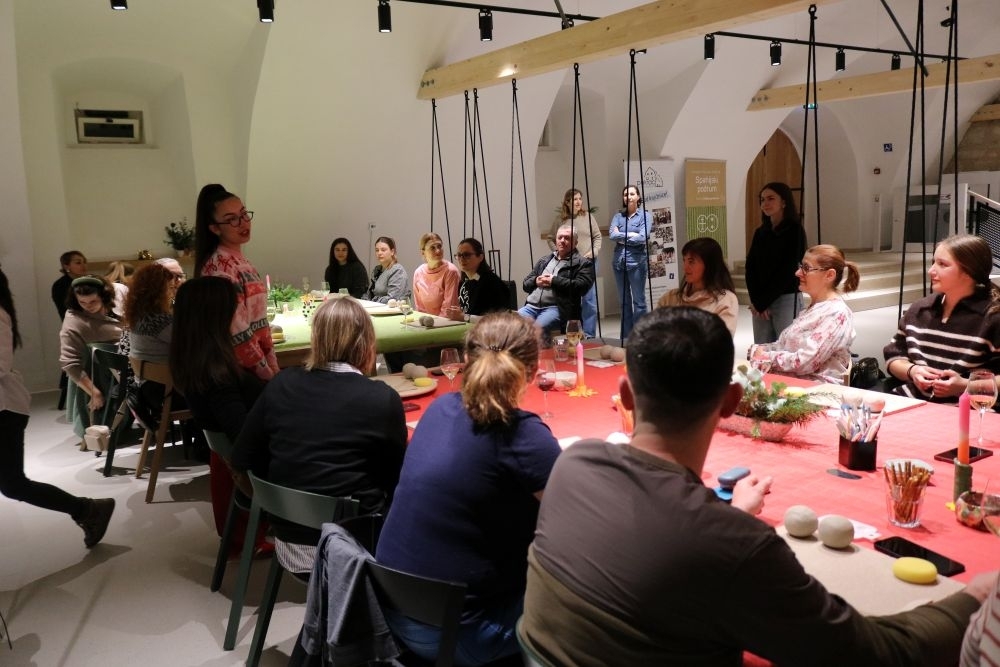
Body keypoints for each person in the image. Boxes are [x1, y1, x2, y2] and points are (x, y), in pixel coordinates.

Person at [521, 306, 999, 666]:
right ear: (733, 402)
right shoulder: (735, 546)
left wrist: (727, 519)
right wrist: (972, 602)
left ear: (625, 394)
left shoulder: (574, 464)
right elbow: (871, 654)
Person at [376, 312, 561, 666]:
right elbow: (579, 528)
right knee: (588, 596)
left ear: (465, 360)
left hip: (390, 606)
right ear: (534, 371)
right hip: (457, 632)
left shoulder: (439, 408)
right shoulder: (522, 436)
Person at [232, 297, 406, 571]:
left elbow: (240, 462)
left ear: (315, 339)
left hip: (290, 545)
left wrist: (277, 504)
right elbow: (398, 485)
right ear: (366, 343)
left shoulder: (280, 385)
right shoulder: (381, 399)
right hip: (357, 551)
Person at [1, 267, 115, 548]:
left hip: (5, 409)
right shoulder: (74, 319)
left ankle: (87, 509)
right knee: (12, 484)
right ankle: (87, 510)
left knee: (13, 484)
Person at [171, 276, 266, 537]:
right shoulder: (218, 377)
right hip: (267, 472)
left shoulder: (195, 363)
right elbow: (245, 441)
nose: (238, 315)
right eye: (232, 309)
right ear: (214, 317)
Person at [884, 234, 1000, 402]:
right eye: (933, 262)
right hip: (911, 402)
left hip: (967, 409)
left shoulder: (993, 317)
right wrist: (913, 371)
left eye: (942, 264)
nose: (931, 271)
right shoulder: (919, 309)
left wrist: (965, 386)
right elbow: (894, 357)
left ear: (969, 272)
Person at [193, 183, 278, 382]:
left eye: (244, 214)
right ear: (214, 228)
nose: (243, 223)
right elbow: (238, 334)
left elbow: (260, 324)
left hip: (257, 373)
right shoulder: (219, 268)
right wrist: (267, 375)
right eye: (231, 219)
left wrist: (273, 367)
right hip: (238, 376)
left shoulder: (240, 260)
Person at [750, 244, 859, 384]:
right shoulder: (815, 308)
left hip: (815, 390)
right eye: (801, 266)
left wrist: (766, 356)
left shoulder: (837, 314)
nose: (798, 273)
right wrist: (759, 350)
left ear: (829, 275)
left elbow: (805, 362)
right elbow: (785, 345)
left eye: (806, 268)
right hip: (794, 385)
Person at [59, 276, 123, 438]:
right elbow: (70, 363)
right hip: (97, 375)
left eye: (93, 301)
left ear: (104, 296)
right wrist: (94, 392)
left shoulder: (117, 300)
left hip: (120, 366)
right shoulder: (74, 321)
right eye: (82, 302)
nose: (88, 306)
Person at [745, 181, 808, 344]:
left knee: (787, 347)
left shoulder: (795, 230)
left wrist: (762, 301)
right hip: (760, 300)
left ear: (784, 202)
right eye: (762, 199)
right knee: (762, 348)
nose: (765, 203)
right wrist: (756, 301)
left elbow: (788, 270)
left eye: (771, 198)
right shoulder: (760, 232)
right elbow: (750, 267)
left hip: (786, 297)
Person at [517, 224, 595, 337]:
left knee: (536, 330)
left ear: (575, 243)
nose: (562, 241)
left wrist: (554, 281)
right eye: (560, 237)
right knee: (510, 325)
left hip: (555, 308)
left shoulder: (583, 263)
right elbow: (525, 284)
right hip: (530, 307)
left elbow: (581, 286)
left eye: (567, 238)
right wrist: (536, 281)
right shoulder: (544, 260)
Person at [657, 237, 739, 335]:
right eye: (684, 260)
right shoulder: (669, 298)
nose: (685, 267)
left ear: (709, 265)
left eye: (691, 262)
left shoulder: (725, 300)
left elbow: (720, 340)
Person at [548, 189, 602, 337]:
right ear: (567, 202)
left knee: (589, 300)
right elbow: (551, 238)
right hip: (570, 264)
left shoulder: (588, 217)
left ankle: (589, 335)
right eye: (575, 199)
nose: (578, 202)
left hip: (588, 262)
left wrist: (594, 252)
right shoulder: (560, 220)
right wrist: (559, 252)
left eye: (580, 199)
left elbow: (597, 237)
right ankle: (574, 333)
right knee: (571, 300)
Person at [609, 184, 651, 340]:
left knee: (639, 302)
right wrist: (632, 234)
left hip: (636, 263)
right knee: (624, 303)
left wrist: (622, 235)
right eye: (626, 194)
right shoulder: (618, 216)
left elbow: (643, 237)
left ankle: (640, 337)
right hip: (618, 263)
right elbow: (612, 235)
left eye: (632, 194)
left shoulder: (645, 216)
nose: (629, 197)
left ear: (638, 197)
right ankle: (626, 339)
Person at [122, 262, 183, 364]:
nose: (173, 294)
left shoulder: (139, 316)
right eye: (171, 288)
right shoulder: (159, 321)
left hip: (142, 373)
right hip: (164, 373)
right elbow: (192, 344)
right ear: (157, 292)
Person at [446, 237, 511, 321]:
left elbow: (500, 318)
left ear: (480, 257)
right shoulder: (463, 283)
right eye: (459, 255)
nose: (461, 259)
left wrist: (465, 317)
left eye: (467, 255)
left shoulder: (492, 282)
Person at [412, 232, 460, 316]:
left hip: (446, 321)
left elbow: (448, 309)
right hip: (426, 321)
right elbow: (420, 307)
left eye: (439, 246)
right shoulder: (418, 272)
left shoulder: (451, 271)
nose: (438, 251)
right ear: (423, 253)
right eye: (432, 248)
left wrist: (434, 323)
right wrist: (424, 321)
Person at [365, 235, 410, 304]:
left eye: (383, 250)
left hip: (391, 310)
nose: (379, 253)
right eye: (377, 250)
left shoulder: (397, 270)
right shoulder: (377, 269)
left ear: (392, 252)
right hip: (375, 307)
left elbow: (393, 299)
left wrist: (372, 301)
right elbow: (370, 294)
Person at [51, 250, 88, 321]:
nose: (83, 265)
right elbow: (67, 309)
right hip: (74, 322)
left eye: (85, 262)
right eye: (78, 263)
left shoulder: (89, 281)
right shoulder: (60, 285)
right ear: (66, 267)